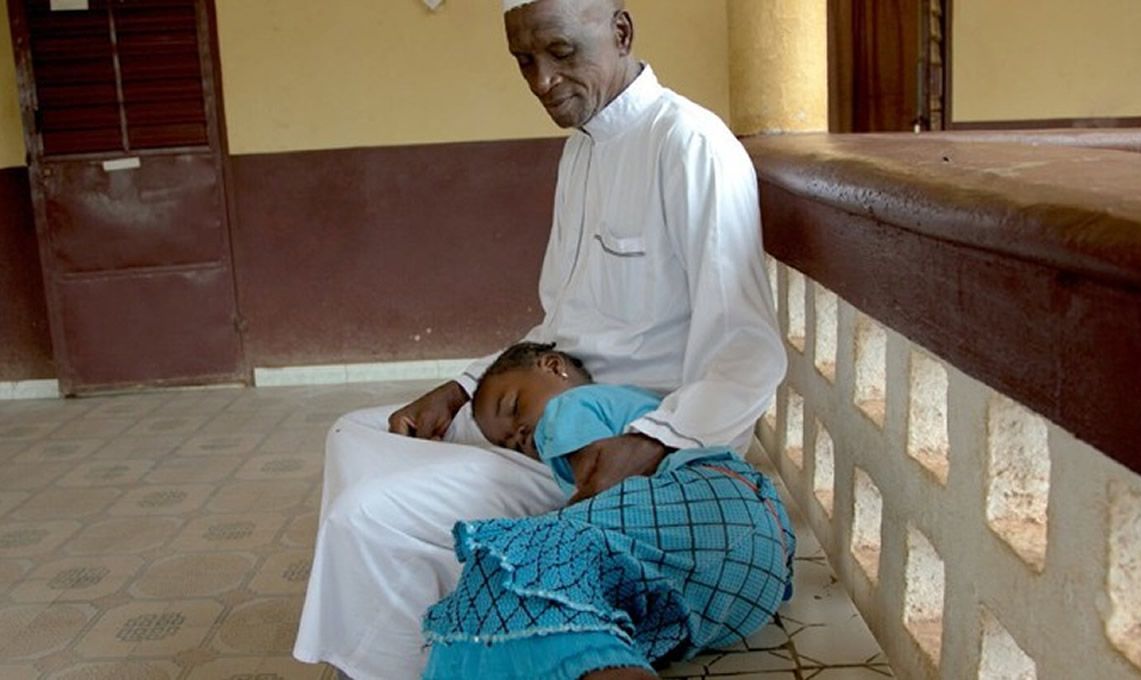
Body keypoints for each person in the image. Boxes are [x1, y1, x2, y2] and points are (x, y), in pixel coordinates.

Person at [293, 1, 786, 678]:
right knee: (357, 433)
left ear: (620, 32)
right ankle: (458, 599)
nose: (541, 81)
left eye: (561, 53)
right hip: (541, 419)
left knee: (365, 515)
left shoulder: (690, 145)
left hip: (609, 454)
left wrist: (647, 443)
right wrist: (461, 388)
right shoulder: (580, 153)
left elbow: (747, 349)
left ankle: (421, 651)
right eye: (524, 61)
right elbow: (558, 327)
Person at [422, 342, 795, 680]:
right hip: (758, 566)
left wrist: (531, 537)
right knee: (539, 609)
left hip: (712, 508)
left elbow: (600, 479)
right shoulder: (633, 409)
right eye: (510, 444)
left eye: (514, 407)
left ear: (553, 366)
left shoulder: (569, 407)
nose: (519, 433)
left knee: (508, 566)